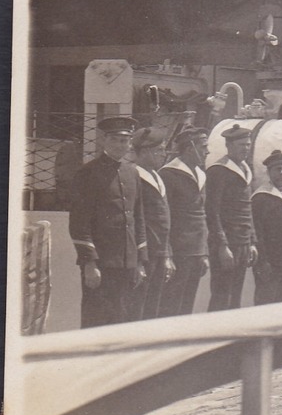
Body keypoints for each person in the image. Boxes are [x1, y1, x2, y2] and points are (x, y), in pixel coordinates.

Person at [68, 115, 147, 327]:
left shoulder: (132, 173)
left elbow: (138, 218)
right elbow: (79, 222)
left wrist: (140, 261)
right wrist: (89, 263)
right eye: (116, 140)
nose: (122, 145)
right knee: (96, 320)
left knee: (122, 320)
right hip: (102, 264)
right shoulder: (88, 173)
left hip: (127, 264)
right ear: (104, 140)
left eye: (126, 140)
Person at [158, 125, 209, 317]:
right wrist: (167, 254)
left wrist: (203, 252)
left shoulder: (201, 174)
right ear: (190, 149)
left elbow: (201, 216)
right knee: (170, 305)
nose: (207, 152)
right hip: (178, 252)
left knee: (187, 306)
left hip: (196, 252)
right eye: (203, 147)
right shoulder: (168, 174)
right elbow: (165, 217)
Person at [206, 123, 256, 311]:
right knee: (221, 295)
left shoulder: (245, 169)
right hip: (226, 244)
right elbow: (212, 211)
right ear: (229, 146)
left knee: (235, 297)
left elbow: (247, 208)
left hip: (242, 242)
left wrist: (251, 241)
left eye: (248, 145)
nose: (246, 149)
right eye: (242, 145)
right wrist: (222, 246)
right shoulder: (218, 170)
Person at [128, 127, 174, 320]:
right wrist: (138, 261)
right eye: (159, 151)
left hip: (159, 253)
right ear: (144, 151)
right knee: (137, 308)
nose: (163, 155)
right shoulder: (133, 176)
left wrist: (167, 255)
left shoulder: (157, 176)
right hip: (144, 255)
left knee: (153, 309)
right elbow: (134, 222)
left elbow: (164, 223)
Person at [251, 150, 282, 305]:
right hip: (270, 264)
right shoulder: (261, 197)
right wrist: (263, 263)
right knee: (265, 305)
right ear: (269, 172)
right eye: (277, 169)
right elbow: (257, 233)